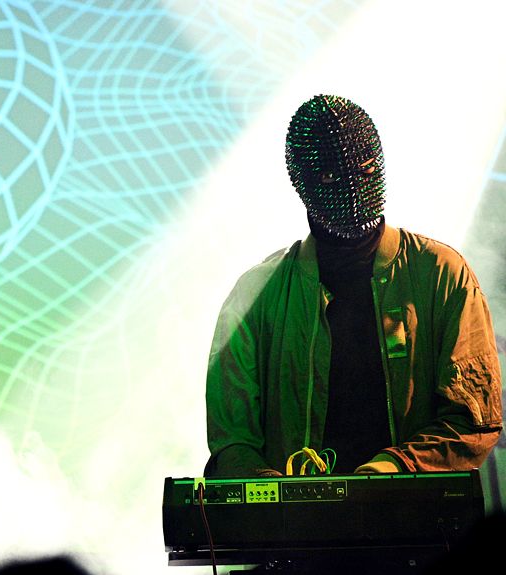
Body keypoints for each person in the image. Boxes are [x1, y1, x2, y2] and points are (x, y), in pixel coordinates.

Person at [205, 94, 502, 477]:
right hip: (297, 519)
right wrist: (273, 492)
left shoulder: (442, 274)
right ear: (304, 183)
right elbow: (232, 440)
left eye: (364, 167)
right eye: (331, 176)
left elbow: (474, 419)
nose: (352, 187)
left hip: (412, 514)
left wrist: (394, 469)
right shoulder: (255, 296)